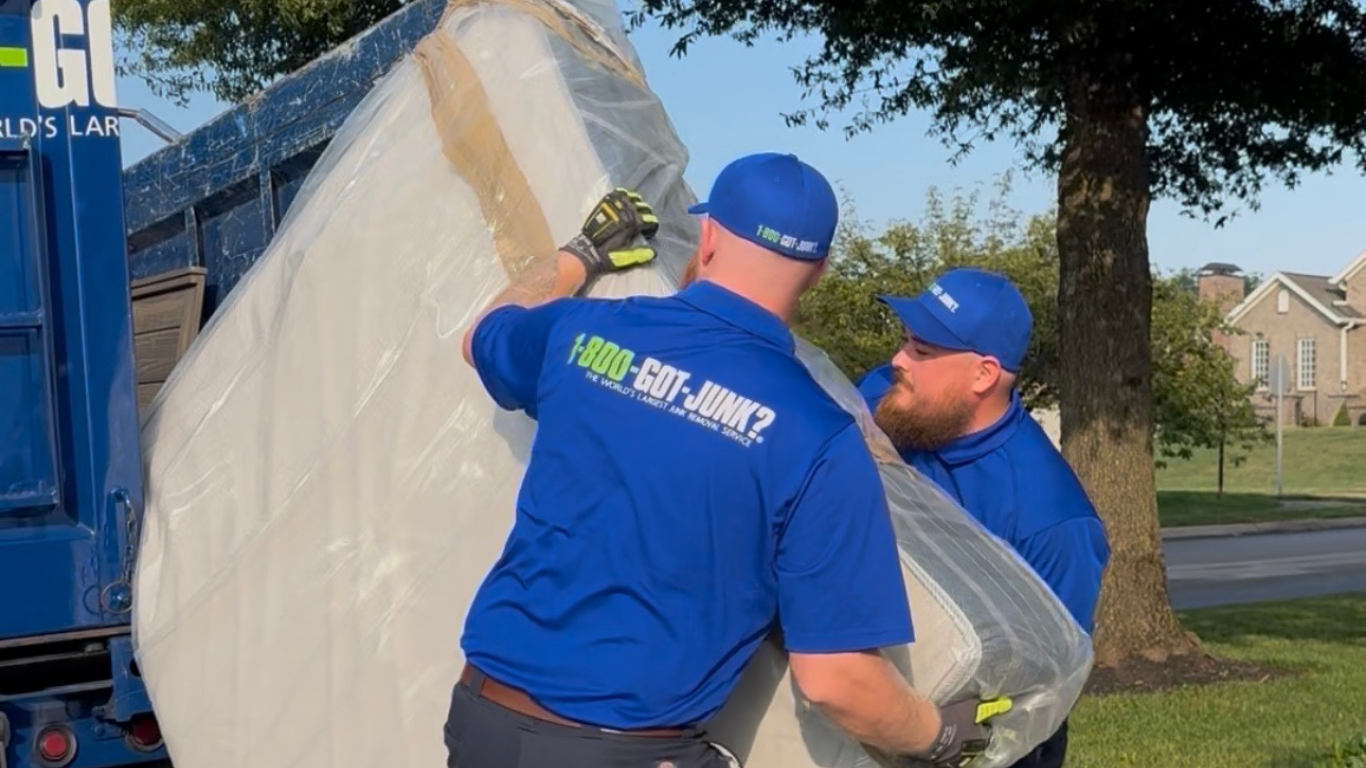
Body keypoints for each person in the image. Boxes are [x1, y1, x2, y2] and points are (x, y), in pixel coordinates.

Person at [450, 154, 1008, 768]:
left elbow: (484, 334)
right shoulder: (818, 436)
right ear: (818, 271)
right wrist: (938, 733)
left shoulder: (578, 333)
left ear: (709, 235)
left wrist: (581, 253)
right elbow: (836, 679)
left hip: (483, 723)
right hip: (626, 752)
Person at [855, 267, 1111, 768]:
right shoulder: (888, 398)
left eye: (922, 351)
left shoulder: (1052, 521)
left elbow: (1042, 684)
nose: (897, 361)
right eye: (904, 341)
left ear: (984, 375)